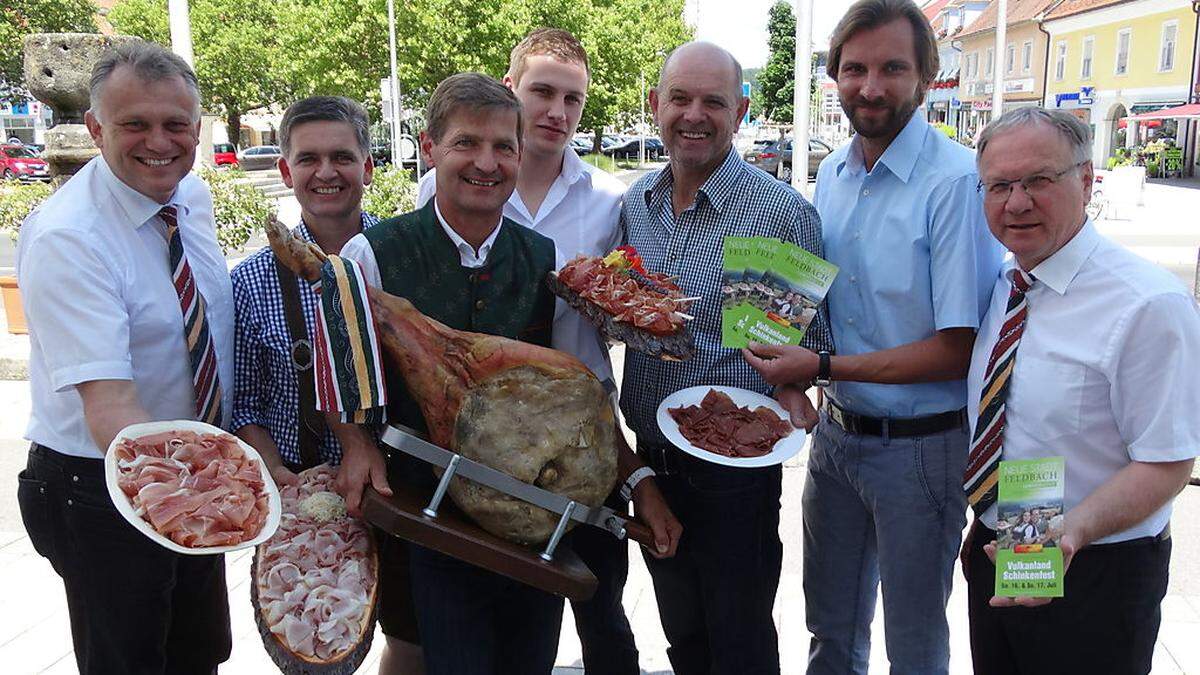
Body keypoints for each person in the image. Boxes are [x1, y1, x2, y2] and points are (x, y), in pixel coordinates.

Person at [330, 72, 679, 675]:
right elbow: (343, 373)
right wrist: (355, 443)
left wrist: (640, 484)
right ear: (429, 148)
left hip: (535, 527)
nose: (486, 162)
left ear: (521, 155)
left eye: (503, 147)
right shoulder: (372, 256)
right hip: (427, 518)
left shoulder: (550, 264)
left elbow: (588, 398)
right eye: (467, 143)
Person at [741, 1, 1003, 672]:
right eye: (853, 68)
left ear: (925, 77)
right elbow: (815, 298)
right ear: (833, 77)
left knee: (913, 643)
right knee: (830, 628)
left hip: (923, 451)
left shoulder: (953, 182)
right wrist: (791, 363)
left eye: (892, 67)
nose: (871, 86)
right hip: (836, 439)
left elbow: (958, 346)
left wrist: (822, 362)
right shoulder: (832, 172)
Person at [414, 29, 642, 674]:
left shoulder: (609, 200)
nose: (557, 112)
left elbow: (624, 295)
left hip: (583, 435)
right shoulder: (461, 180)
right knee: (493, 613)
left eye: (573, 99)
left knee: (603, 607)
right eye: (542, 91)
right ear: (510, 89)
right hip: (489, 440)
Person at [14, 41, 233, 674]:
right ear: (95, 128)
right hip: (102, 486)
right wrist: (220, 487)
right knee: (132, 662)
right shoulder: (70, 238)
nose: (158, 142)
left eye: (175, 125)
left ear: (196, 127)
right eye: (134, 124)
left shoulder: (188, 195)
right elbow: (110, 408)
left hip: (184, 465)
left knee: (197, 653)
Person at [620, 41, 833, 675]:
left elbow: (810, 341)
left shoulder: (780, 213)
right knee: (682, 634)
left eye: (713, 101)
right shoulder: (639, 204)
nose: (694, 114)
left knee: (739, 639)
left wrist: (799, 385)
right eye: (679, 98)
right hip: (651, 459)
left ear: (740, 111)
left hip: (736, 470)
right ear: (655, 105)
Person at [964, 106, 1200, 675]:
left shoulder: (1148, 304)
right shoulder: (1006, 281)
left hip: (1095, 567)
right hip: (1002, 545)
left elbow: (1168, 461)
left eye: (1039, 181)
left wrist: (1070, 535)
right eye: (999, 185)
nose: (1016, 202)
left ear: (1087, 181)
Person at [229, 95, 425, 674]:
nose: (326, 173)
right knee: (314, 653)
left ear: (368, 166)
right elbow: (244, 402)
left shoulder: (403, 261)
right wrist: (282, 483)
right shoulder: (249, 281)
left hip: (401, 490)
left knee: (413, 643)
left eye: (342, 157)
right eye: (308, 159)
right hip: (302, 493)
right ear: (286, 171)